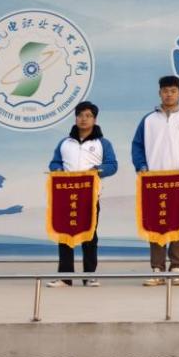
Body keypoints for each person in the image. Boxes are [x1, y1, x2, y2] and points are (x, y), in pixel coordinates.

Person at [131, 75, 179, 286]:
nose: (169, 94)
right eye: (165, 91)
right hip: (153, 182)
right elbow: (137, 146)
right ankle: (157, 268)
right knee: (155, 223)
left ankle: (176, 267)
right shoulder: (148, 120)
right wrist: (141, 166)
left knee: (177, 222)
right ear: (159, 93)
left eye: (173, 91)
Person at [47, 101, 118, 287]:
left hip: (89, 196)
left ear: (95, 119)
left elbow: (112, 165)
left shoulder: (102, 143)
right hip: (66, 196)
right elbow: (54, 163)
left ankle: (89, 276)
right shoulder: (65, 143)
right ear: (75, 118)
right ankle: (65, 277)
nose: (83, 119)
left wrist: (97, 170)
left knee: (89, 235)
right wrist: (58, 170)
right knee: (65, 234)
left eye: (88, 116)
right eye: (80, 115)